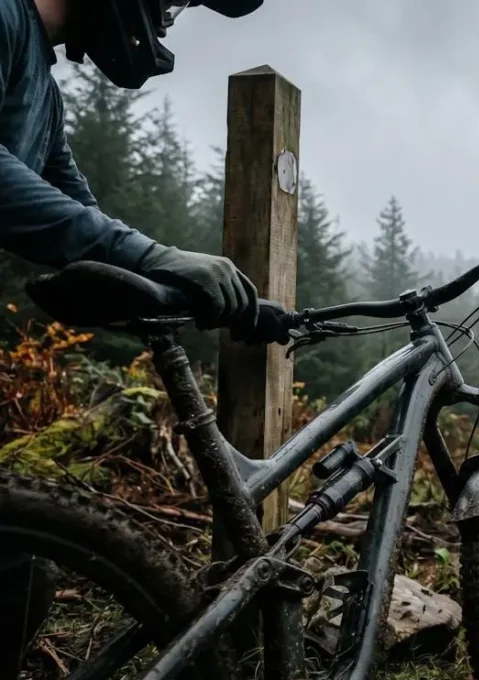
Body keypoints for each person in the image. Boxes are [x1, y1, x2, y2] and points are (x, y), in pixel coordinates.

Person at [0, 0, 266, 674]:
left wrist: (187, 282)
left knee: (14, 573)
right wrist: (151, 256)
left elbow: (78, 214)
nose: (168, 17)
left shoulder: (45, 94)